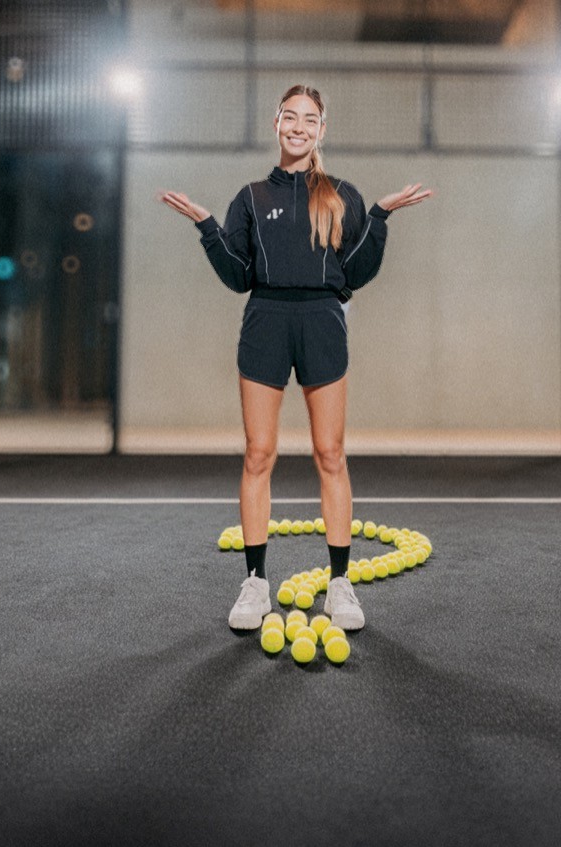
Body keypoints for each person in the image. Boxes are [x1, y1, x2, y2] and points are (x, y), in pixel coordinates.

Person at [161, 83, 431, 631]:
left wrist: (378, 216)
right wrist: (208, 228)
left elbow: (354, 273)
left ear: (322, 129)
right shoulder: (252, 197)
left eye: (310, 119)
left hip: (322, 322)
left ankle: (339, 585)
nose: (299, 127)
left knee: (330, 454)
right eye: (290, 117)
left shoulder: (339, 194)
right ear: (277, 123)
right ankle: (256, 584)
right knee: (259, 454)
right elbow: (239, 277)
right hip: (265, 321)